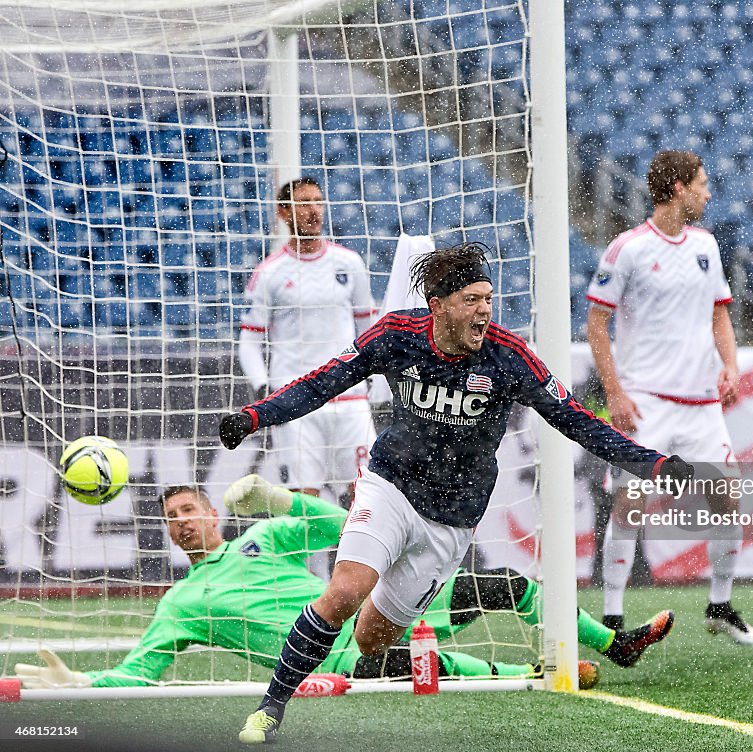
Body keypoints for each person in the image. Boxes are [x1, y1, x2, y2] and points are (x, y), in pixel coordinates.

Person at [217, 242, 693, 743]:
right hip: (390, 487)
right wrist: (255, 416)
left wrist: (655, 464)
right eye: (471, 300)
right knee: (344, 591)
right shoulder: (397, 336)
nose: (484, 310)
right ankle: (271, 708)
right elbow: (321, 382)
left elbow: (576, 421)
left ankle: (380, 598)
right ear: (438, 304)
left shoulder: (510, 358)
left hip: (452, 520)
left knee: (372, 641)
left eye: (488, 298)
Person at [14, 475, 673, 690]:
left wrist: (274, 499)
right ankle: (529, 675)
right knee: (414, 660)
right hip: (335, 658)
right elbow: (140, 673)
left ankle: (612, 643)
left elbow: (340, 523)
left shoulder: (259, 538)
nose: (182, 522)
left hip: (365, 609)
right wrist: (82, 682)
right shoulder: (180, 604)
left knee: (503, 581)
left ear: (212, 513)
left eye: (189, 510)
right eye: (172, 518)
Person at [585, 149, 753, 645]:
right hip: (647, 401)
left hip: (702, 404)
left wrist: (729, 366)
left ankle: (721, 605)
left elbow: (719, 314)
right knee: (630, 505)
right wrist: (616, 393)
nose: (709, 193)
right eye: (703, 184)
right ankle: (613, 620)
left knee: (728, 498)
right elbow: (597, 324)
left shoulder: (706, 245)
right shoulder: (628, 249)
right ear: (680, 188)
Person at [237, 177, 376, 500]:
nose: (314, 211)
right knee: (303, 504)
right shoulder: (269, 272)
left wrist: (373, 376)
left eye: (318, 201)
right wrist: (263, 388)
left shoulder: (349, 262)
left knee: (366, 497)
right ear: (284, 213)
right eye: (304, 203)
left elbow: (369, 328)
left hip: (349, 397)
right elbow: (249, 342)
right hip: (297, 401)